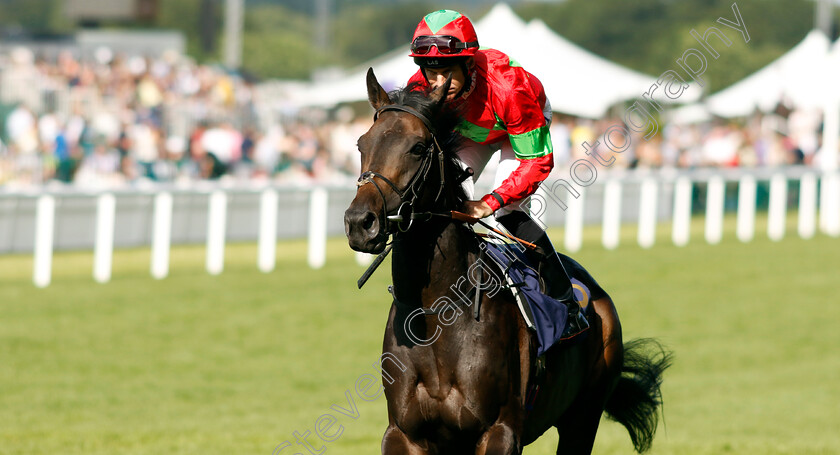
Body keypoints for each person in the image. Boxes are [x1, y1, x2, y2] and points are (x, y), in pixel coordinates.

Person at [406, 9, 588, 333]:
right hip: (471, 132)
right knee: (444, 194)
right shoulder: (420, 87)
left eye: (445, 72)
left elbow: (537, 162)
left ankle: (566, 301)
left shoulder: (510, 88)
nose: (435, 83)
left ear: (468, 62)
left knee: (507, 212)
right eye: (429, 73)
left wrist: (490, 202)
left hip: (517, 126)